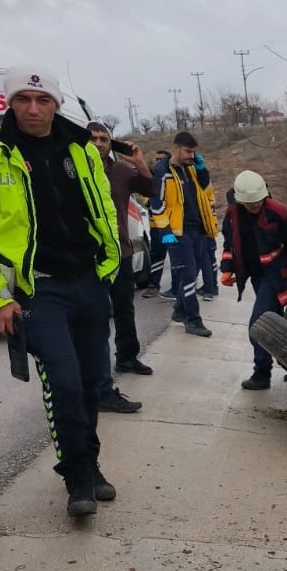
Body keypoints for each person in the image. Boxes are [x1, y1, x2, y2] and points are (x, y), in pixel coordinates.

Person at [0, 66, 121, 517]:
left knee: (90, 384)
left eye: (42, 99)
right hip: (37, 290)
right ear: (9, 104)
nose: (33, 109)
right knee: (64, 382)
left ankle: (91, 463)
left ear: (56, 103)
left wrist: (110, 265)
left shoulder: (80, 146)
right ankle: (77, 477)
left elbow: (102, 203)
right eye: (23, 100)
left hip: (87, 279)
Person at [87, 120, 155, 412]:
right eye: (94, 139)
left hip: (122, 253)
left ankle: (127, 356)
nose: (99, 143)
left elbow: (151, 189)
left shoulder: (122, 172)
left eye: (104, 139)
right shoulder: (75, 170)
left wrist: (138, 161)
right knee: (96, 315)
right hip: (89, 258)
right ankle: (95, 378)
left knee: (125, 307)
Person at [220, 170, 287, 390]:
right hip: (257, 275)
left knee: (259, 325)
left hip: (278, 274)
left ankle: (261, 374)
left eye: (259, 201)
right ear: (240, 200)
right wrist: (227, 268)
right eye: (251, 203)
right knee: (278, 322)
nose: (256, 206)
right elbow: (229, 244)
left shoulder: (279, 213)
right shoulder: (233, 215)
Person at [149, 132, 215, 337]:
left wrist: (202, 170)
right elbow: (156, 204)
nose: (191, 155)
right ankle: (193, 320)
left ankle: (179, 310)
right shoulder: (161, 171)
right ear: (176, 148)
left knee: (193, 272)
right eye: (188, 151)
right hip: (178, 233)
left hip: (198, 228)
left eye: (194, 151)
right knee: (187, 275)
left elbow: (205, 190)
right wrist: (166, 232)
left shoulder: (192, 168)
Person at [141, 148, 173, 299]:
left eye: (162, 159)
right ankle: (153, 285)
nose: (158, 162)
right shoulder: (152, 178)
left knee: (176, 257)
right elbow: (145, 198)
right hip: (156, 226)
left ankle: (177, 287)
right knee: (156, 256)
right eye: (156, 159)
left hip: (173, 227)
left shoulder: (173, 178)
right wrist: (149, 201)